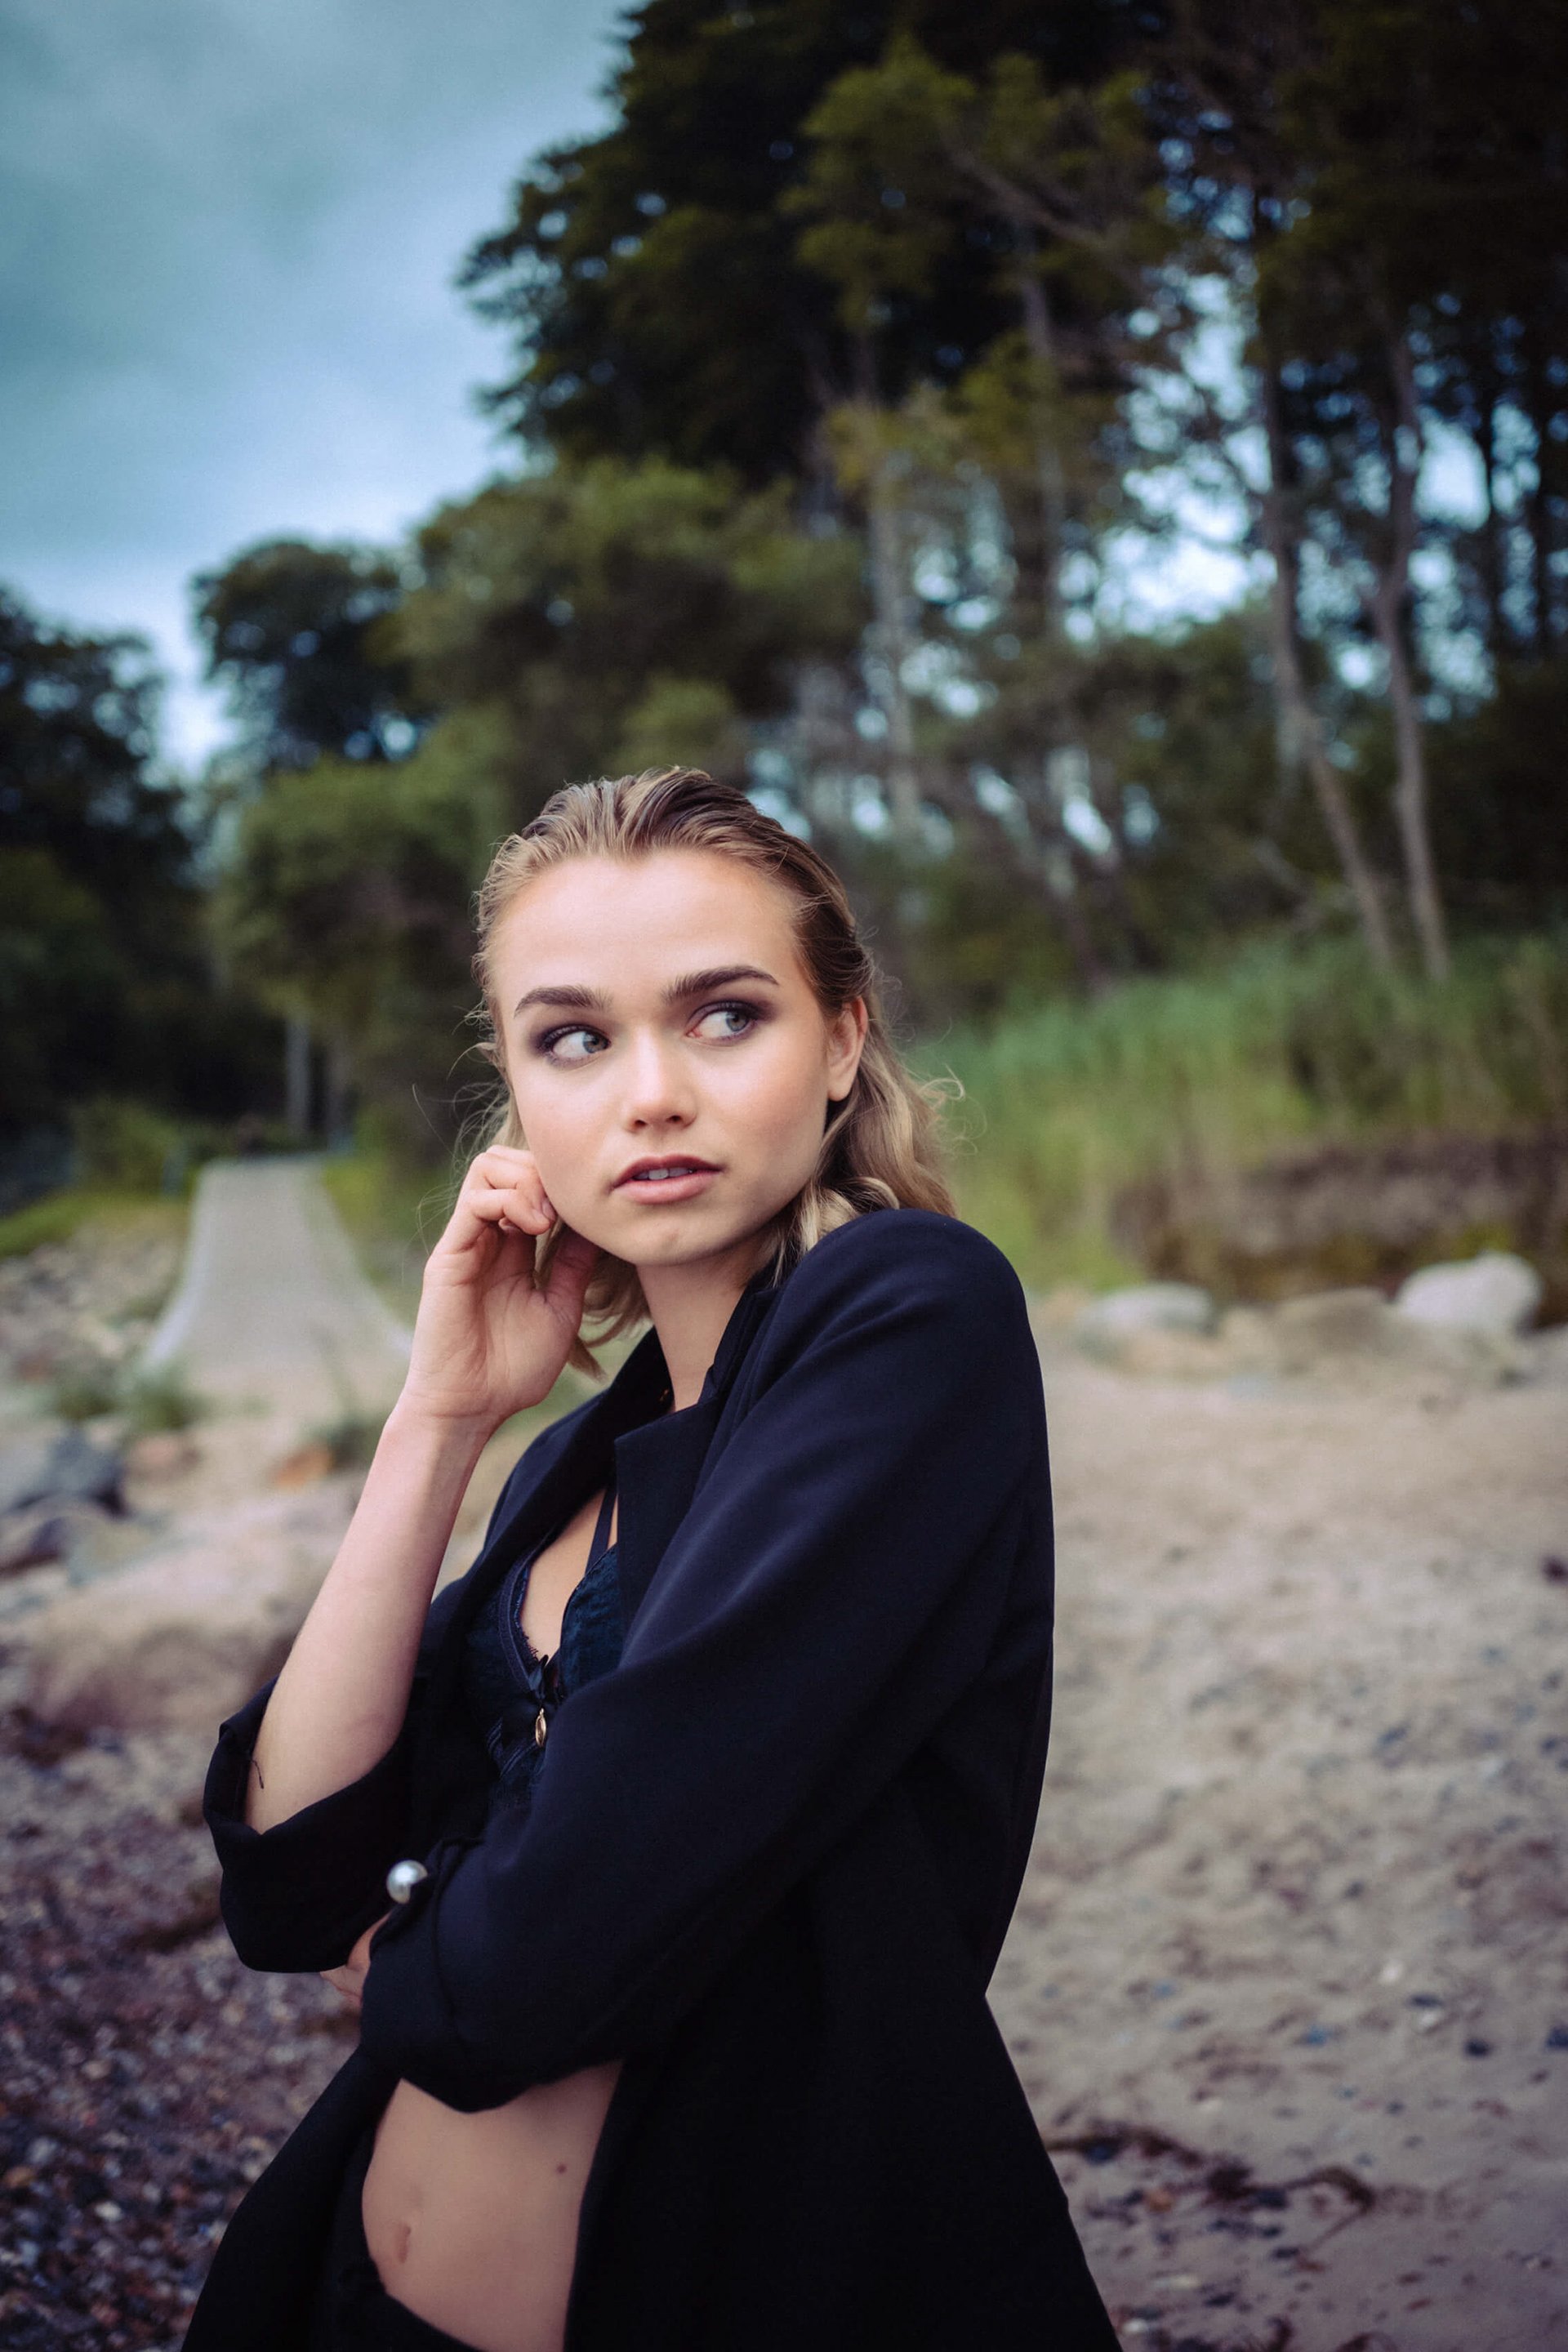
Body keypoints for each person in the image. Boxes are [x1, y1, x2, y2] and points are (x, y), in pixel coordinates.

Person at [182, 766, 1117, 2352]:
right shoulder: (580, 1461)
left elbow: (528, 1976)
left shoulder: (913, 1318)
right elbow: (287, 1878)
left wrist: (404, 1958)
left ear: (842, 1040)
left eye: (725, 1016)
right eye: (576, 1038)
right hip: (353, 2295)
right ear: (518, 1089)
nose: (651, 1093)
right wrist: (442, 1417)